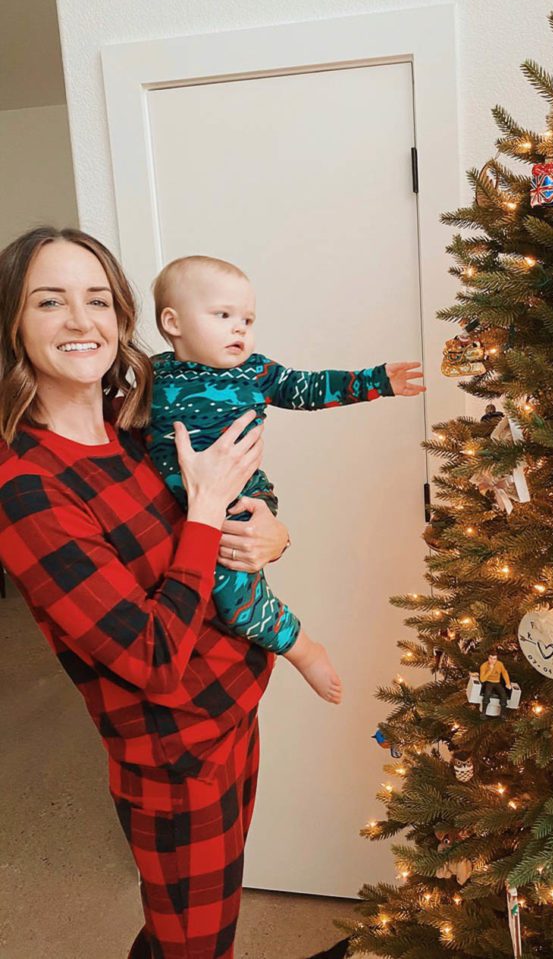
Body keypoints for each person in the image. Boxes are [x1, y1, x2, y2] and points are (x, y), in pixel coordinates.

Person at [0, 227, 290, 959]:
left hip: (233, 715)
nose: (80, 320)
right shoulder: (25, 486)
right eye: (49, 301)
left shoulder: (138, 420)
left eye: (97, 298)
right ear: (12, 324)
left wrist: (270, 529)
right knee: (198, 946)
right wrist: (203, 509)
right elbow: (152, 656)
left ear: (122, 314)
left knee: (191, 926)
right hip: (174, 764)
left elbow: (228, 509)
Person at [147, 255, 427, 705]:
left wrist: (378, 381)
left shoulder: (255, 371)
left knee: (234, 602)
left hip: (241, 506)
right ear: (172, 322)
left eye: (248, 319)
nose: (240, 329)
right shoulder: (149, 377)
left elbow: (308, 388)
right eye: (223, 316)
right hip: (185, 514)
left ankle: (302, 649)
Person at [478, 650, 512, 716]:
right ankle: (483, 712)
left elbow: (504, 673)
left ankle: (503, 714)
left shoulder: (500, 664)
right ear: (488, 658)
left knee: (503, 695)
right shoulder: (484, 666)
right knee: (487, 694)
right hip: (488, 682)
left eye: (494, 659)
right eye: (491, 658)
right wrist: (490, 670)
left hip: (497, 682)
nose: (492, 661)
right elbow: (482, 679)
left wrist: (508, 683)